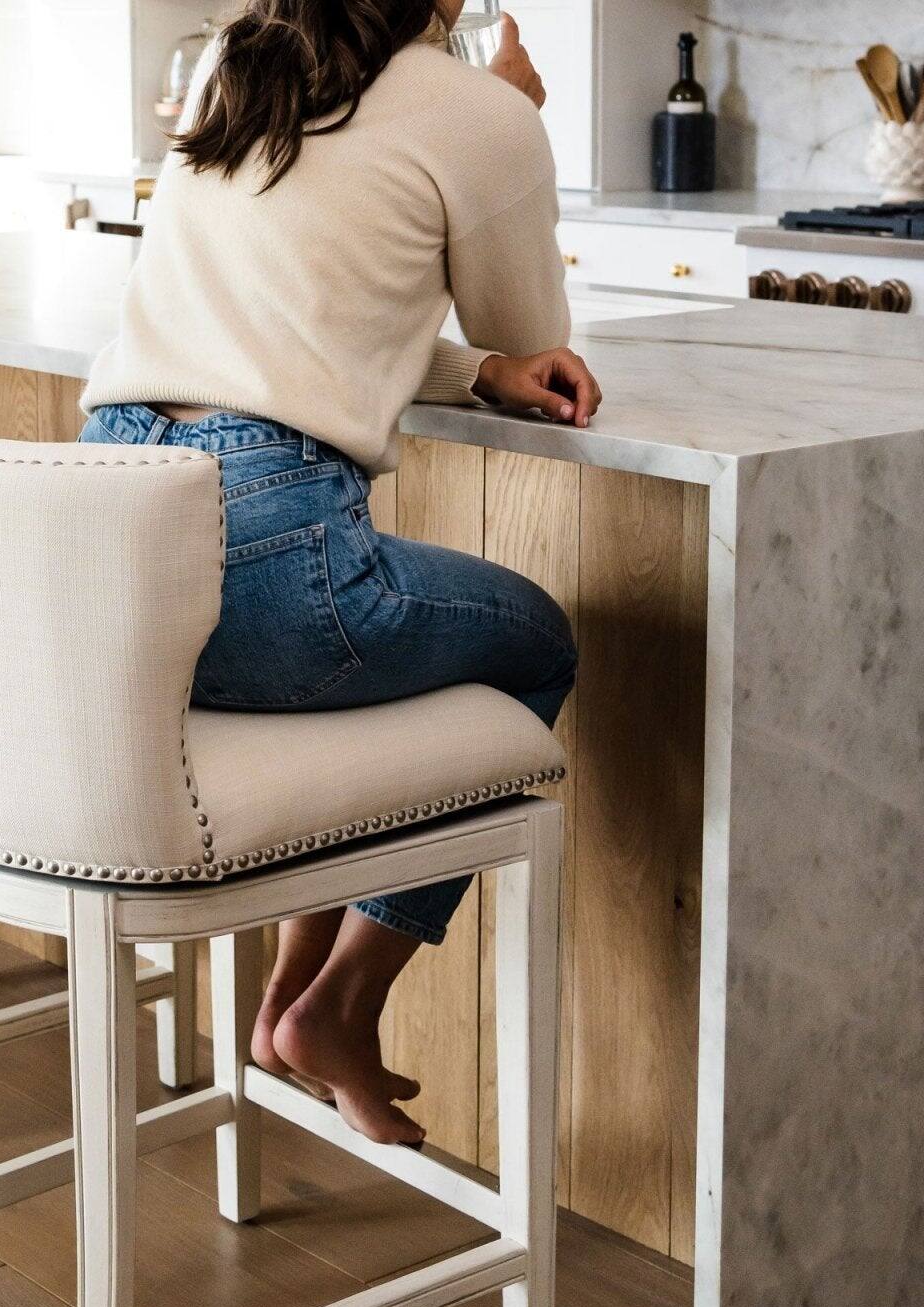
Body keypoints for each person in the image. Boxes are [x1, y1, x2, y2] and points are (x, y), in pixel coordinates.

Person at [81, 0, 596, 1145]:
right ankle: (343, 1000)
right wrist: (506, 116)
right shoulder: (473, 106)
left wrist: (472, 378)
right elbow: (534, 320)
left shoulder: (239, 60)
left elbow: (299, 304)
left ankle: (293, 1008)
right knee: (538, 643)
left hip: (113, 557)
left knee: (353, 692)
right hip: (268, 562)